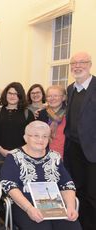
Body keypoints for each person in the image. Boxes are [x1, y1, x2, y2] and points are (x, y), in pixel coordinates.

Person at [0, 121, 81, 230]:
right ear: (25, 137)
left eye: (45, 136)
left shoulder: (54, 157)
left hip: (55, 206)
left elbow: (67, 184)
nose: (40, 140)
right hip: (25, 206)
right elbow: (9, 185)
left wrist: (71, 207)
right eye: (36, 136)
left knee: (71, 226)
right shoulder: (14, 157)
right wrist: (29, 209)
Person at [64, 51, 96, 230]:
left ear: (90, 64)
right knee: (78, 192)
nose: (77, 66)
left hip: (92, 152)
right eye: (74, 63)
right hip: (74, 150)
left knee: (92, 196)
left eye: (82, 62)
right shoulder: (71, 89)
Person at [0, 82, 35, 161]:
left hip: (22, 155)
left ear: (20, 96)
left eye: (15, 94)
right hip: (0, 154)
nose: (12, 96)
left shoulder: (28, 113)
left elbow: (31, 135)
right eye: (10, 93)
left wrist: (20, 151)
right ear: (5, 94)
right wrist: (1, 150)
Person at [37, 85, 66, 158]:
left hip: (67, 156)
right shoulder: (41, 114)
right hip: (46, 155)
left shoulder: (70, 113)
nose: (52, 98)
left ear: (63, 97)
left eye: (56, 96)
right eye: (49, 96)